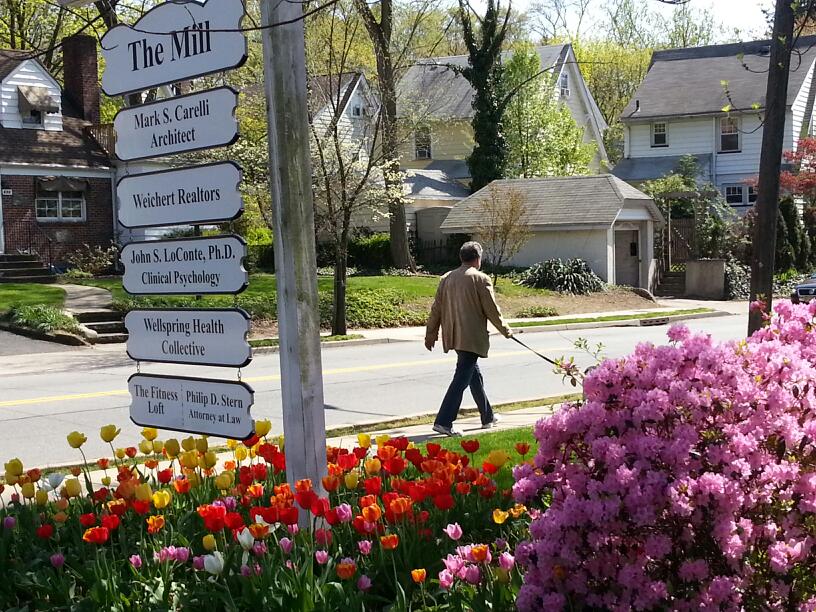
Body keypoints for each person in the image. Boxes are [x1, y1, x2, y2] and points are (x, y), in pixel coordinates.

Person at [425, 241, 513, 437]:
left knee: (473, 375)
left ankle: (487, 417)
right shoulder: (481, 279)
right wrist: (506, 330)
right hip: (471, 337)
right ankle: (444, 421)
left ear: (461, 258)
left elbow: (436, 309)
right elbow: (492, 310)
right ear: (478, 259)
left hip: (454, 336)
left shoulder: (446, 278)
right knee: (461, 378)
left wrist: (430, 334)